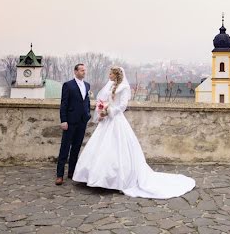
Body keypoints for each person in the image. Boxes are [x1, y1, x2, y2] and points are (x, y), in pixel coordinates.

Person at [72, 66, 195, 198]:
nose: (109, 75)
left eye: (111, 73)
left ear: (116, 75)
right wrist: (103, 109)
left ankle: (115, 180)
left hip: (116, 120)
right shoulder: (109, 86)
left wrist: (109, 111)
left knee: (117, 149)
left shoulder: (124, 88)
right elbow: (105, 100)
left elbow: (122, 106)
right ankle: (97, 178)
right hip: (107, 121)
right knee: (100, 147)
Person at [55, 63, 91, 185]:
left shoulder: (87, 85)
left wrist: (87, 115)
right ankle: (59, 175)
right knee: (65, 148)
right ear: (75, 72)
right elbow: (64, 103)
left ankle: (72, 172)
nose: (84, 72)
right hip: (70, 122)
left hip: (82, 121)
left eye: (84, 70)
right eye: (81, 70)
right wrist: (63, 120)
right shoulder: (68, 85)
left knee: (76, 148)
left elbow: (86, 101)